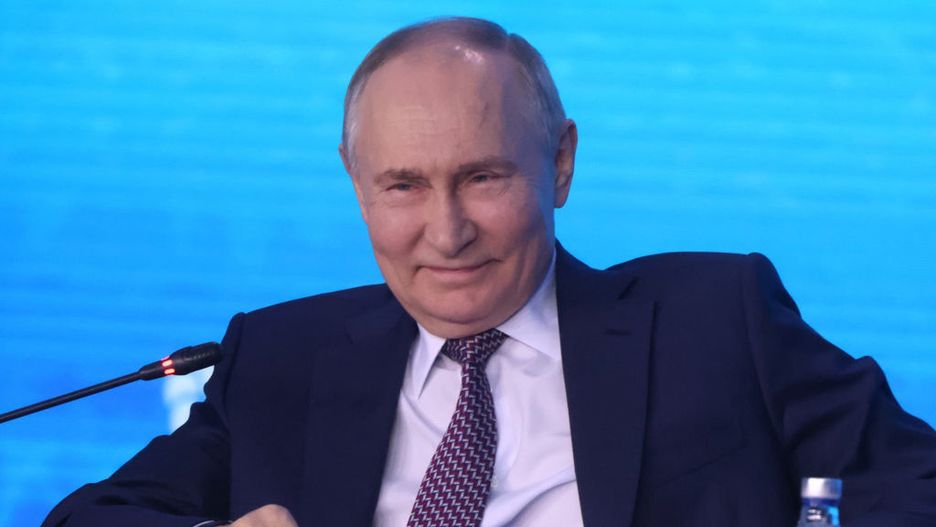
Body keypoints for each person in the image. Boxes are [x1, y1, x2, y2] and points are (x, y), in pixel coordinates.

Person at [44, 16, 936, 527]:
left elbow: (913, 484)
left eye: (482, 177)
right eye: (403, 185)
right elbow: (89, 518)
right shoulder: (282, 356)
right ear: (356, 183)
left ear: (560, 164)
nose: (448, 231)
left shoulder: (714, 316)